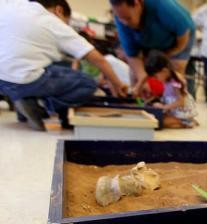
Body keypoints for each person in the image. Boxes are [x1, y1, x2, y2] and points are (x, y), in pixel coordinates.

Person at [0, 0, 128, 131]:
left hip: (2, 82)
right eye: (67, 22)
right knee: (87, 82)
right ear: (59, 11)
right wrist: (117, 83)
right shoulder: (50, 20)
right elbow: (98, 59)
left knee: (43, 67)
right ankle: (40, 106)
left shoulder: (11, 5)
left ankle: (24, 108)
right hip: (25, 79)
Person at [109, 0, 196, 98]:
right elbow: (132, 54)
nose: (124, 23)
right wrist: (142, 81)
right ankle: (139, 105)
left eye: (128, 18)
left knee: (173, 71)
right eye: (120, 18)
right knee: (135, 74)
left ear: (137, 4)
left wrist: (170, 54)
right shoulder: (121, 17)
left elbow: (183, 34)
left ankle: (173, 103)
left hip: (178, 39)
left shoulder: (163, 5)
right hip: (148, 38)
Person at [142, 50, 198, 129]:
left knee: (159, 123)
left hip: (180, 111)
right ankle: (179, 120)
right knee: (154, 117)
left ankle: (185, 121)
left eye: (156, 76)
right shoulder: (166, 78)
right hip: (172, 109)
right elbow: (167, 95)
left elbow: (181, 102)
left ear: (164, 71)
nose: (155, 79)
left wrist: (164, 107)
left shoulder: (175, 82)